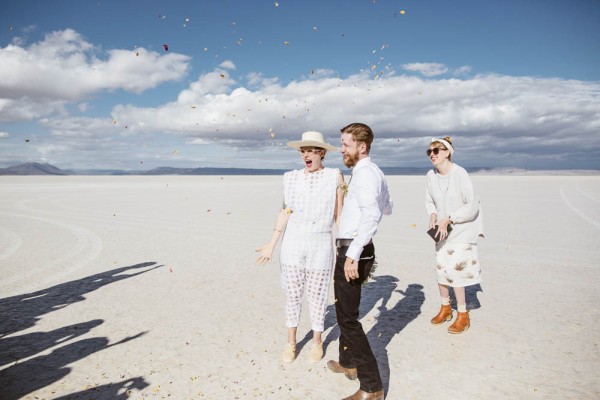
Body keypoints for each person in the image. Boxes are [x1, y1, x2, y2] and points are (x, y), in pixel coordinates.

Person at [256, 131, 345, 363]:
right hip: (293, 243)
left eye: (311, 150)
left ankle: (317, 342)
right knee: (293, 295)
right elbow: (285, 211)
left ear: (322, 153)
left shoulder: (335, 176)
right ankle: (291, 342)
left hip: (321, 244)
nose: (306, 155)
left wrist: (345, 246)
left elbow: (339, 214)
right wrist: (271, 244)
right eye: (302, 151)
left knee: (318, 295)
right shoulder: (291, 177)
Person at [327, 123, 392, 400]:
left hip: (354, 250)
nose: (342, 149)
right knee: (347, 309)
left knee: (348, 318)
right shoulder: (371, 172)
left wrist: (352, 254)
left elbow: (373, 216)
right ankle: (348, 362)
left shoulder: (365, 174)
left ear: (362, 147)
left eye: (346, 144)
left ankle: (371, 386)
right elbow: (387, 206)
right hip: (359, 248)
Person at [425, 137, 484, 334]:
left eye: (436, 151)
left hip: (461, 229)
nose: (432, 154)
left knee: (457, 272)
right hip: (442, 231)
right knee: (442, 269)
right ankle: (445, 308)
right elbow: (430, 201)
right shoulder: (430, 176)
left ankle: (462, 314)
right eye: (430, 152)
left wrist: (450, 218)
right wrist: (433, 216)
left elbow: (472, 206)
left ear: (447, 152)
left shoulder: (460, 174)